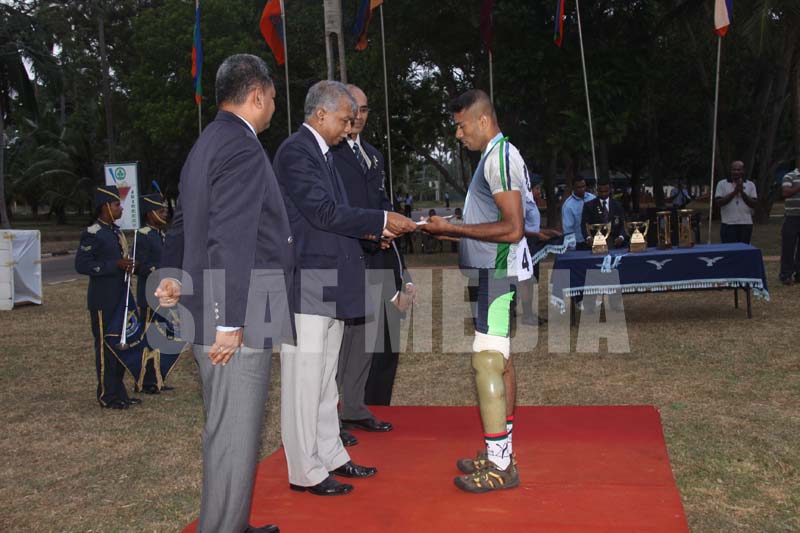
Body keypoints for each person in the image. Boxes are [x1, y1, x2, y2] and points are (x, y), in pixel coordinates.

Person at [155, 54, 292, 533]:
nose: (274, 106)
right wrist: (230, 321)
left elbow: (184, 220)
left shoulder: (208, 141)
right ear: (256, 95)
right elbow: (231, 238)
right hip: (238, 311)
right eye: (273, 97)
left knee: (227, 432)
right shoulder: (241, 148)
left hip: (215, 304)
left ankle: (229, 522)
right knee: (233, 438)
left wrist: (171, 276)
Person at [273, 80, 416, 497]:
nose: (349, 127)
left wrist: (376, 234)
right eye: (344, 119)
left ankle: (331, 455)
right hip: (309, 279)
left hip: (333, 277)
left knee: (323, 381)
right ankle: (304, 470)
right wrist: (379, 221)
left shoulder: (326, 153)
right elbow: (321, 212)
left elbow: (339, 215)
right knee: (304, 380)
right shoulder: (297, 152)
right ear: (320, 114)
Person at [421, 89, 527, 493]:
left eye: (462, 125)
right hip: (495, 270)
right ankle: (501, 451)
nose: (458, 134)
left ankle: (501, 465)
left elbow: (512, 227)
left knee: (487, 362)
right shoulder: (495, 155)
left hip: (497, 273)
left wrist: (452, 228)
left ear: (483, 121)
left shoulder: (498, 157)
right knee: (501, 361)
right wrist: (450, 228)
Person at [330, 84, 399, 447]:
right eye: (352, 108)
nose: (358, 115)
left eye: (365, 108)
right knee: (336, 342)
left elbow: (380, 201)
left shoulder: (372, 154)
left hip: (376, 254)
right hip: (344, 254)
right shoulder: (327, 154)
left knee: (366, 339)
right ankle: (330, 416)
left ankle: (354, 407)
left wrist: (386, 229)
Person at [75, 185, 140, 410]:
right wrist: (115, 265)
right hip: (103, 300)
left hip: (121, 297)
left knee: (120, 345)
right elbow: (82, 265)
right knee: (105, 347)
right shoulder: (93, 233)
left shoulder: (115, 232)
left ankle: (119, 391)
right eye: (116, 205)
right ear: (105, 208)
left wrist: (128, 266)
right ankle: (106, 394)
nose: (120, 208)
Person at [134, 192, 172, 395]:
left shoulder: (160, 234)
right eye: (160, 211)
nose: (164, 214)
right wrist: (159, 270)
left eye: (165, 210)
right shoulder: (143, 235)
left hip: (163, 295)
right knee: (148, 339)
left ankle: (158, 378)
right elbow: (138, 266)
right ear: (150, 214)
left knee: (161, 338)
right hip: (149, 295)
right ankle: (145, 380)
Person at [520, 176, 561, 326]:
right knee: (527, 281)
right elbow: (520, 229)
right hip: (527, 244)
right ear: (531, 188)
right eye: (537, 188)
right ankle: (526, 314)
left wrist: (550, 232)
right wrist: (537, 235)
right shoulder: (524, 203)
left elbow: (534, 227)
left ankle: (529, 312)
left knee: (533, 280)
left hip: (534, 243)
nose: (539, 191)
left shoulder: (532, 204)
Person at [715, 160, 758, 244]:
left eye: (738, 170)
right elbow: (719, 202)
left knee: (744, 251)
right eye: (734, 169)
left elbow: (753, 204)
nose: (736, 172)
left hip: (745, 223)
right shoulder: (722, 184)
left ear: (743, 171)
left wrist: (742, 192)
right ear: (730, 170)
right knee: (729, 251)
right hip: (728, 223)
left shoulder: (750, 184)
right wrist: (735, 192)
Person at [581, 178, 627, 249]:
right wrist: (588, 238)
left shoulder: (617, 205)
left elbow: (623, 224)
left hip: (615, 243)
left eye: (606, 191)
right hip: (596, 242)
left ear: (610, 190)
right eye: (601, 191)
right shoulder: (589, 206)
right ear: (597, 190)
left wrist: (621, 237)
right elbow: (584, 225)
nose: (603, 194)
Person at [779, 159, 800, 285]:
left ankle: (799, 274)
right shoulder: (789, 176)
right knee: (788, 247)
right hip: (792, 217)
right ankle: (785, 275)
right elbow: (785, 192)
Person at [561, 176, 596, 248]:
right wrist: (571, 246)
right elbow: (568, 229)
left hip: (596, 239)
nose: (582, 189)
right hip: (580, 243)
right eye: (579, 187)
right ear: (573, 187)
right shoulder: (568, 206)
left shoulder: (593, 198)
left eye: (584, 186)